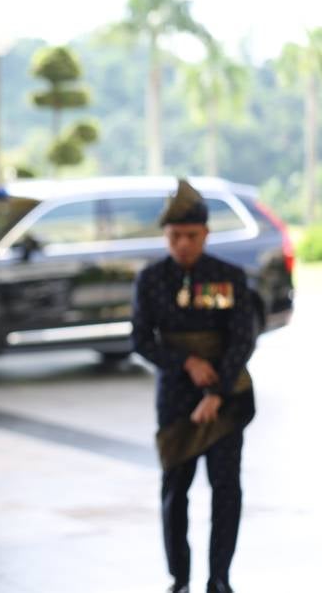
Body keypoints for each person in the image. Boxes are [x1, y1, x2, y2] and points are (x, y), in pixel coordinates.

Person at [131, 179, 256, 593]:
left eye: (191, 236)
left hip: (228, 394)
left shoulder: (230, 276)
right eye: (174, 236)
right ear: (166, 236)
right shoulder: (150, 280)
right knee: (175, 489)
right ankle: (179, 578)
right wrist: (186, 361)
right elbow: (141, 340)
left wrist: (217, 392)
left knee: (226, 488)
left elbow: (243, 339)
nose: (182, 244)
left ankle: (219, 577)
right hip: (176, 398)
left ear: (206, 234)